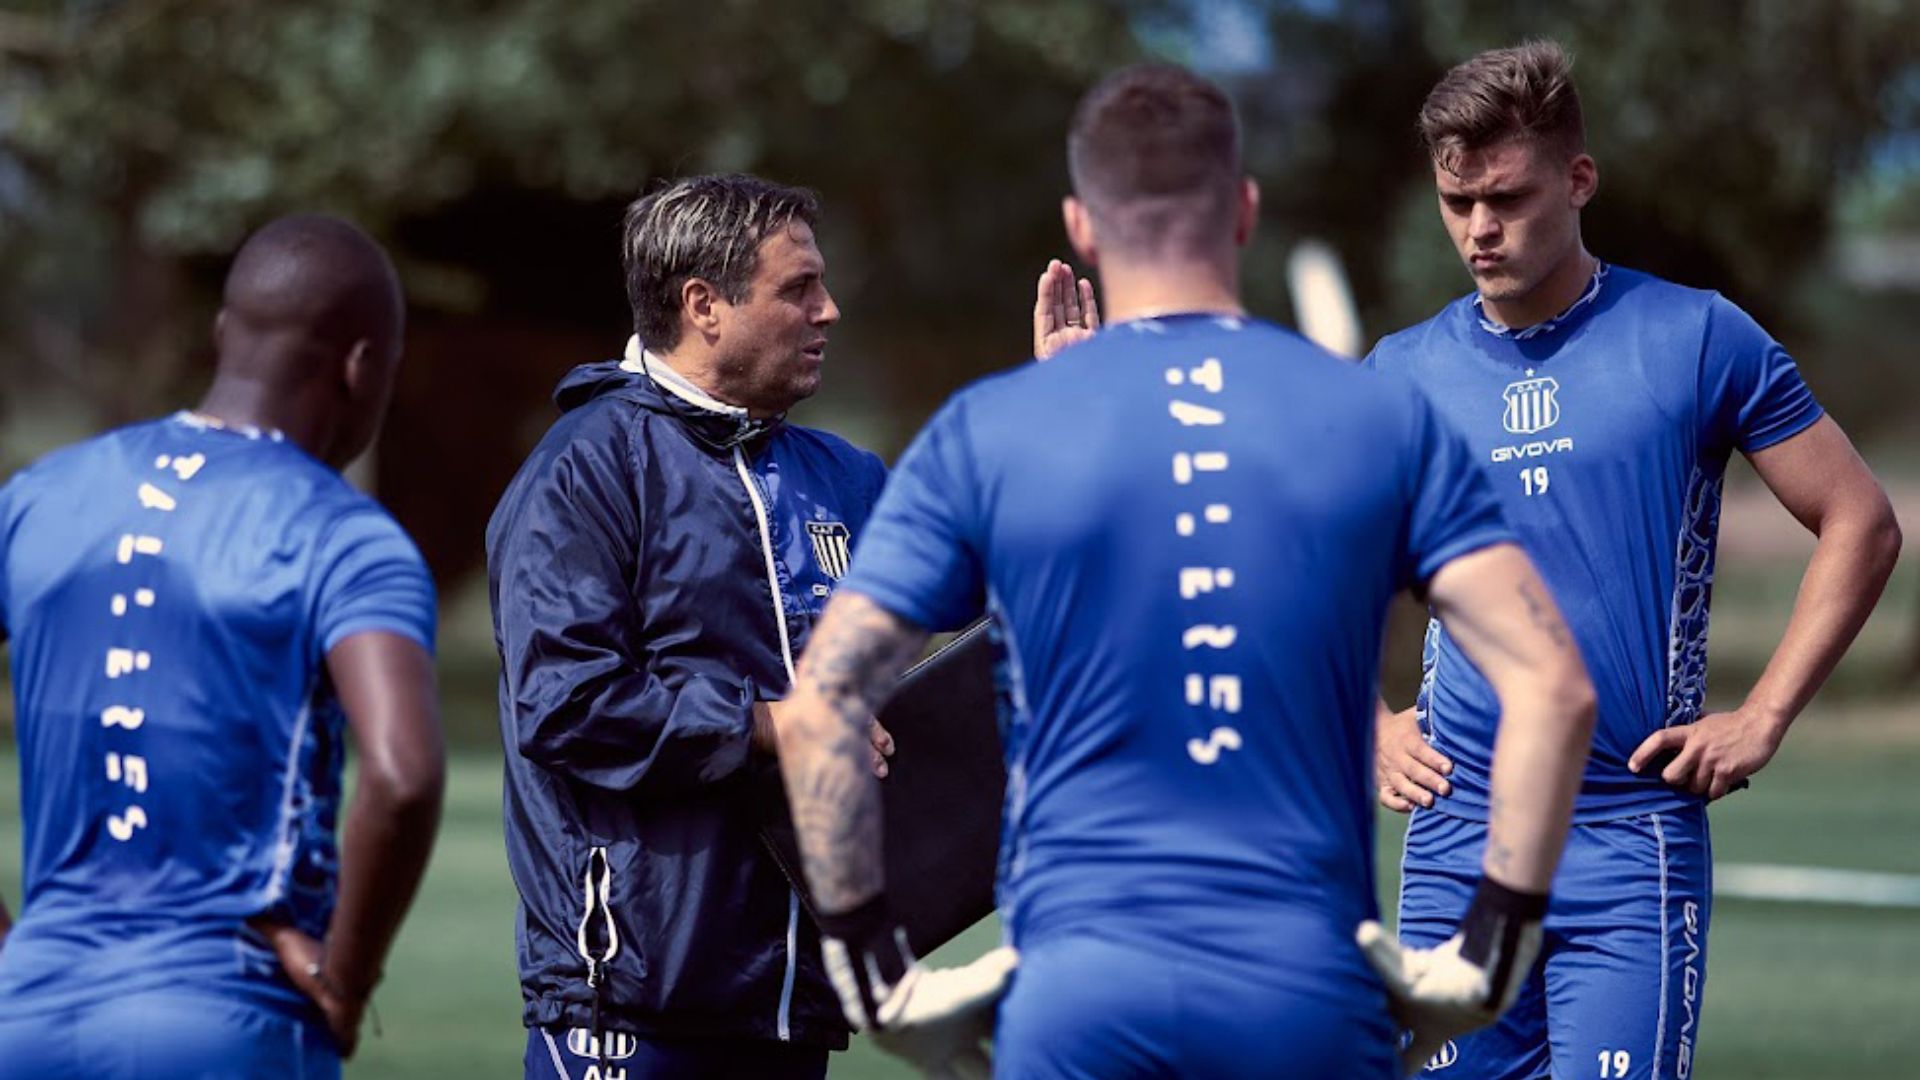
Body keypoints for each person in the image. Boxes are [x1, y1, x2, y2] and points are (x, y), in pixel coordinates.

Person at [770, 63, 1599, 1079]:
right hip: (1305, 999)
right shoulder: (1379, 416)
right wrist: (1485, 962)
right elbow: (1553, 686)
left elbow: (819, 709)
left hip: (1076, 1001)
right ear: (1244, 211)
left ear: (1081, 224)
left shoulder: (992, 432)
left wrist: (881, 988)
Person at [1368, 41, 1904, 1078]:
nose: (1479, 229)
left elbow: (1861, 521)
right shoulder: (1400, 377)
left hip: (1629, 836)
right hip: (1456, 842)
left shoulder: (1698, 338)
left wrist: (1765, 715)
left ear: (1578, 180)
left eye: (1508, 197)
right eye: (1456, 201)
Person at [0, 215, 444, 1077]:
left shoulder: (39, 496)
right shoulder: (343, 536)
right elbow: (402, 774)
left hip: (26, 1022)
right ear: (361, 368)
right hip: (227, 1018)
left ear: (221, 335)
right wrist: (347, 980)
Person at [488, 173, 895, 1080]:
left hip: (792, 1006)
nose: (828, 312)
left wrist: (1072, 417)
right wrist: (772, 726)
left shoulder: (845, 476)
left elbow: (992, 581)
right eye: (798, 289)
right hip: (629, 1009)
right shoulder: (587, 470)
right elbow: (565, 704)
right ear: (703, 305)